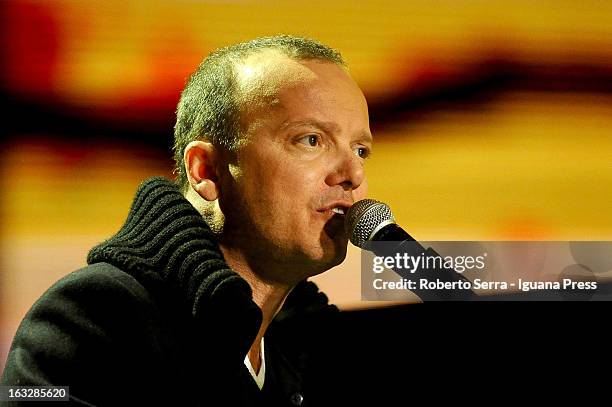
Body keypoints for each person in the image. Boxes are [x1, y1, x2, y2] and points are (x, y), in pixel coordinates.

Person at [1, 35, 372, 406]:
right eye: (310, 140)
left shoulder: (309, 345)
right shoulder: (95, 317)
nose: (353, 173)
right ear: (207, 170)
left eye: (360, 150)